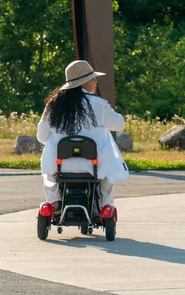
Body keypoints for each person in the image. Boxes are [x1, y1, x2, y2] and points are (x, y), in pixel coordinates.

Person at [37, 60, 129, 212]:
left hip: (59, 166)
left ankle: (54, 202)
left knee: (48, 175)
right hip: (94, 167)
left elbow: (42, 137)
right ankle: (103, 207)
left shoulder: (53, 106)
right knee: (106, 179)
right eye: (93, 78)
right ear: (84, 82)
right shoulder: (98, 104)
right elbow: (119, 125)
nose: (95, 82)